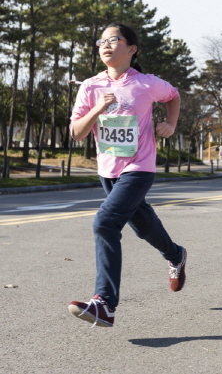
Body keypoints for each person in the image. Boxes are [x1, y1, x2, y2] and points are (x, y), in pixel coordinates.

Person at [67, 23, 186, 327]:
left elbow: (173, 96)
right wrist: (96, 109)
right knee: (144, 228)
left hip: (139, 168)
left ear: (131, 49)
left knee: (105, 223)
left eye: (114, 40)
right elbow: (77, 134)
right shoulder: (91, 86)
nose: (105, 45)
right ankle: (175, 255)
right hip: (108, 172)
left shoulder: (146, 83)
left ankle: (104, 303)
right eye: (101, 40)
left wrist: (170, 125)